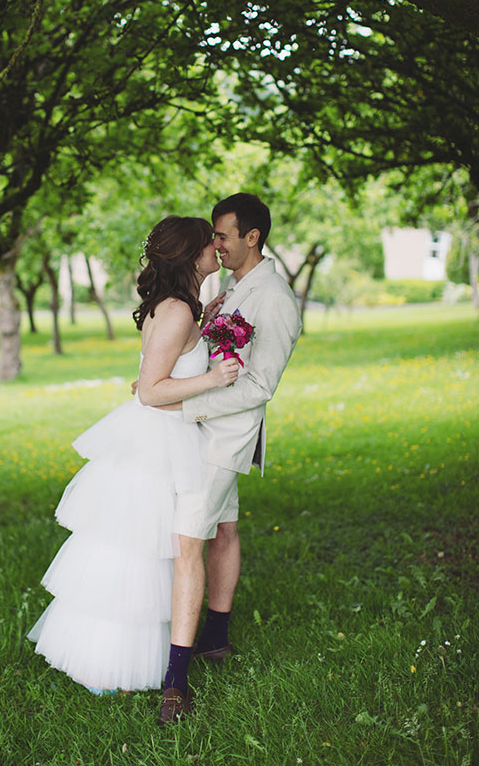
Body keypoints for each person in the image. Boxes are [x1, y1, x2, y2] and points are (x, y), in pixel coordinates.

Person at [27, 215, 239, 695]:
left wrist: (209, 320)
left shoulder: (183, 307)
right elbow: (149, 390)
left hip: (161, 434)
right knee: (143, 553)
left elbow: (166, 361)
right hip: (161, 438)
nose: (216, 250)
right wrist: (213, 378)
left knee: (146, 549)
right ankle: (114, 664)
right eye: (210, 244)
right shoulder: (179, 310)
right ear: (190, 256)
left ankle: (114, 657)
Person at [158, 193, 302, 724]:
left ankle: (176, 682)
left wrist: (182, 402)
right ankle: (214, 640)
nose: (214, 245)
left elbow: (259, 387)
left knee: (187, 545)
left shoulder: (277, 299)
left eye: (221, 236)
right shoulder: (226, 286)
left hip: (223, 435)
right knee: (224, 531)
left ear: (251, 237)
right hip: (198, 428)